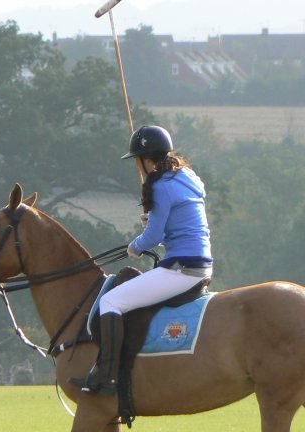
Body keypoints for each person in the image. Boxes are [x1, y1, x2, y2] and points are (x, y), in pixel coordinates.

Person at [72, 125, 213, 395]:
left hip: (181, 269)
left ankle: (107, 376)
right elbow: (178, 220)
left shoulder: (160, 186)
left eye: (136, 161)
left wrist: (135, 246)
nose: (137, 167)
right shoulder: (188, 176)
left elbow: (153, 238)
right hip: (201, 263)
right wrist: (154, 220)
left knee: (110, 301)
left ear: (146, 159)